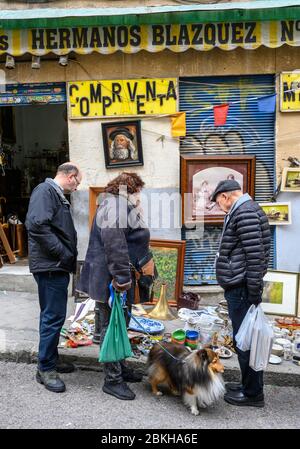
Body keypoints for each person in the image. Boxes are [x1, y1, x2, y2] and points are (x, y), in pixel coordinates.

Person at [77, 172, 153, 401]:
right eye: (139, 191)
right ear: (132, 188)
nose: (140, 196)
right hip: (113, 280)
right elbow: (115, 244)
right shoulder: (117, 205)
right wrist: (122, 279)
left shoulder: (114, 204)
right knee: (113, 329)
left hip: (110, 278)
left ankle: (119, 368)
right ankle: (112, 381)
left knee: (118, 326)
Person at [211, 179, 271, 408]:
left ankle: (253, 394)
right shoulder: (244, 210)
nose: (220, 207)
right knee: (243, 339)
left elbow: (255, 257)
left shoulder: (244, 212)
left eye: (219, 202)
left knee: (246, 342)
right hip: (241, 286)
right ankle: (248, 386)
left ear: (226, 196)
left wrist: (253, 293)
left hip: (243, 288)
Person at [25, 162, 82, 393]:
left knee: (52, 316)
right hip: (51, 265)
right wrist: (63, 253)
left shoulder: (54, 193)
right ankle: (45, 368)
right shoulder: (45, 191)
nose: (77, 187)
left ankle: (50, 358)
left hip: (54, 265)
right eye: (78, 182)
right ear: (70, 176)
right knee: (53, 317)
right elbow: (36, 225)